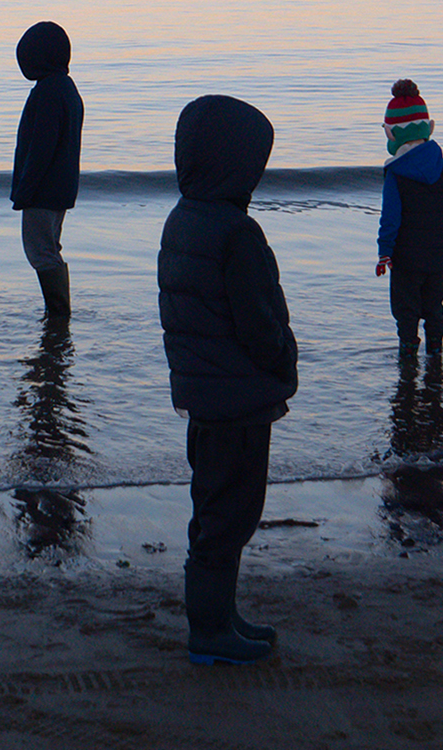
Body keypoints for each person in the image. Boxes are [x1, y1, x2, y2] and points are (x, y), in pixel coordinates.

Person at [157, 94, 298, 665]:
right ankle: (209, 630)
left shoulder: (184, 219)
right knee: (230, 516)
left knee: (214, 510)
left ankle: (220, 616)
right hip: (239, 400)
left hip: (205, 396)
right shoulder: (236, 233)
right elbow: (258, 321)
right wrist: (284, 361)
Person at [374, 79, 443, 355]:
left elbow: (390, 218)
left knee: (406, 312)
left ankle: (408, 362)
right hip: (439, 257)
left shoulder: (396, 174)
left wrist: (384, 253)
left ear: (391, 133)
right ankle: (436, 358)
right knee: (434, 308)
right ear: (429, 128)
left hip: (406, 260)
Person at [9, 20, 83, 317]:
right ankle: (58, 312)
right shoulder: (65, 88)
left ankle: (58, 312)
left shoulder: (49, 92)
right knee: (49, 248)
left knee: (40, 251)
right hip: (60, 188)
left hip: (43, 190)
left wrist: (24, 191)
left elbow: (41, 148)